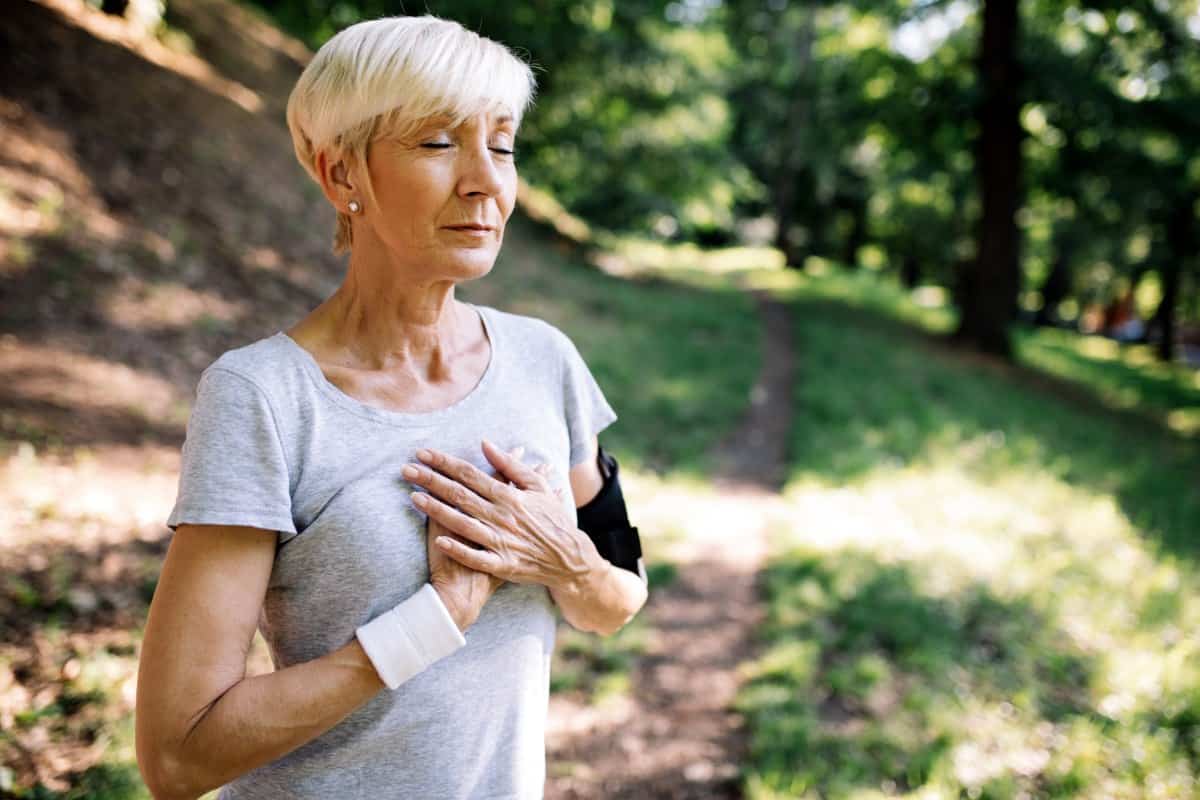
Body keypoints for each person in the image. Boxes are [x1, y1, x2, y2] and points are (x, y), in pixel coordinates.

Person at [135, 15, 648, 799]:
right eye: (439, 143)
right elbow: (178, 754)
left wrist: (565, 559)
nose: (485, 180)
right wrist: (431, 623)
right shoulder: (262, 399)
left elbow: (616, 599)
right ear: (344, 176)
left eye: (502, 145)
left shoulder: (546, 360)